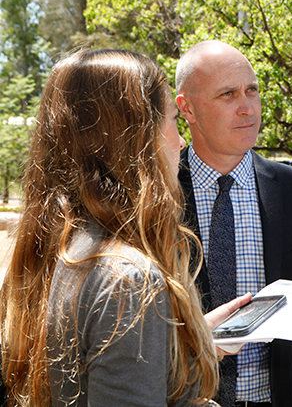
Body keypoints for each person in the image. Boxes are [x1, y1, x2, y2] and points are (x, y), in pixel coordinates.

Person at [0, 49, 251, 406]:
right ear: (135, 138)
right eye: (172, 119)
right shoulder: (128, 281)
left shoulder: (65, 246)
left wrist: (184, 346)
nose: (180, 141)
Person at [175, 40, 292, 407]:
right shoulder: (154, 195)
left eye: (252, 91)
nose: (247, 108)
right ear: (187, 108)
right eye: (228, 94)